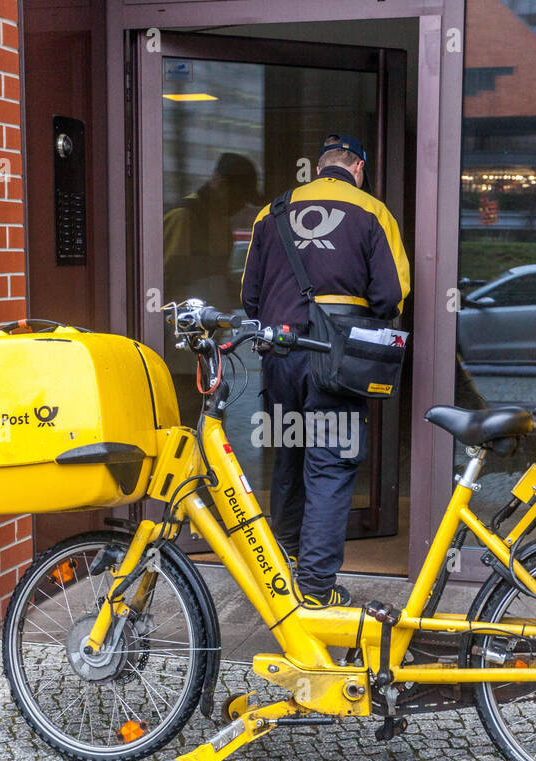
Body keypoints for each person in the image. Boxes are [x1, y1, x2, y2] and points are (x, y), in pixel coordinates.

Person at [240, 134, 411, 607]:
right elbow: (390, 296)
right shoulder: (373, 212)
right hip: (336, 360)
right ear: (357, 168)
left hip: (280, 355)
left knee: (289, 460)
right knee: (331, 467)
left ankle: (284, 567)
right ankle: (315, 589)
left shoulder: (270, 213)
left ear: (320, 168)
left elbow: (248, 299)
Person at [163, 153, 263, 310]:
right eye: (240, 197)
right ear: (222, 186)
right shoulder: (183, 217)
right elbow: (165, 281)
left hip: (211, 322)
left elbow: (218, 278)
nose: (243, 205)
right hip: (185, 322)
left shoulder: (221, 223)